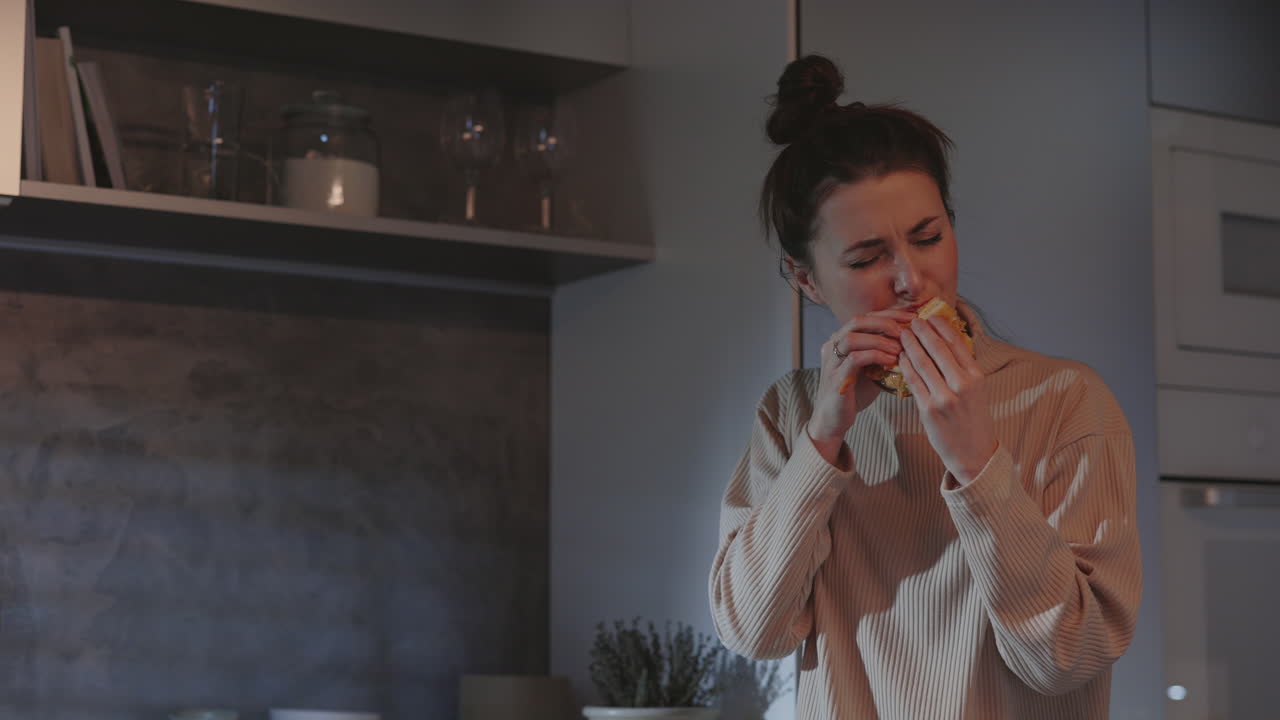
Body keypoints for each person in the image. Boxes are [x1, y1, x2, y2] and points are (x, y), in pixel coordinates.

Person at [707, 55, 1141, 719]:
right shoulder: (791, 413)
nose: (912, 279)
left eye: (929, 237)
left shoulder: (1066, 401)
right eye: (866, 258)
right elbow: (753, 633)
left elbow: (1069, 655)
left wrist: (977, 464)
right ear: (806, 280)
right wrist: (821, 443)